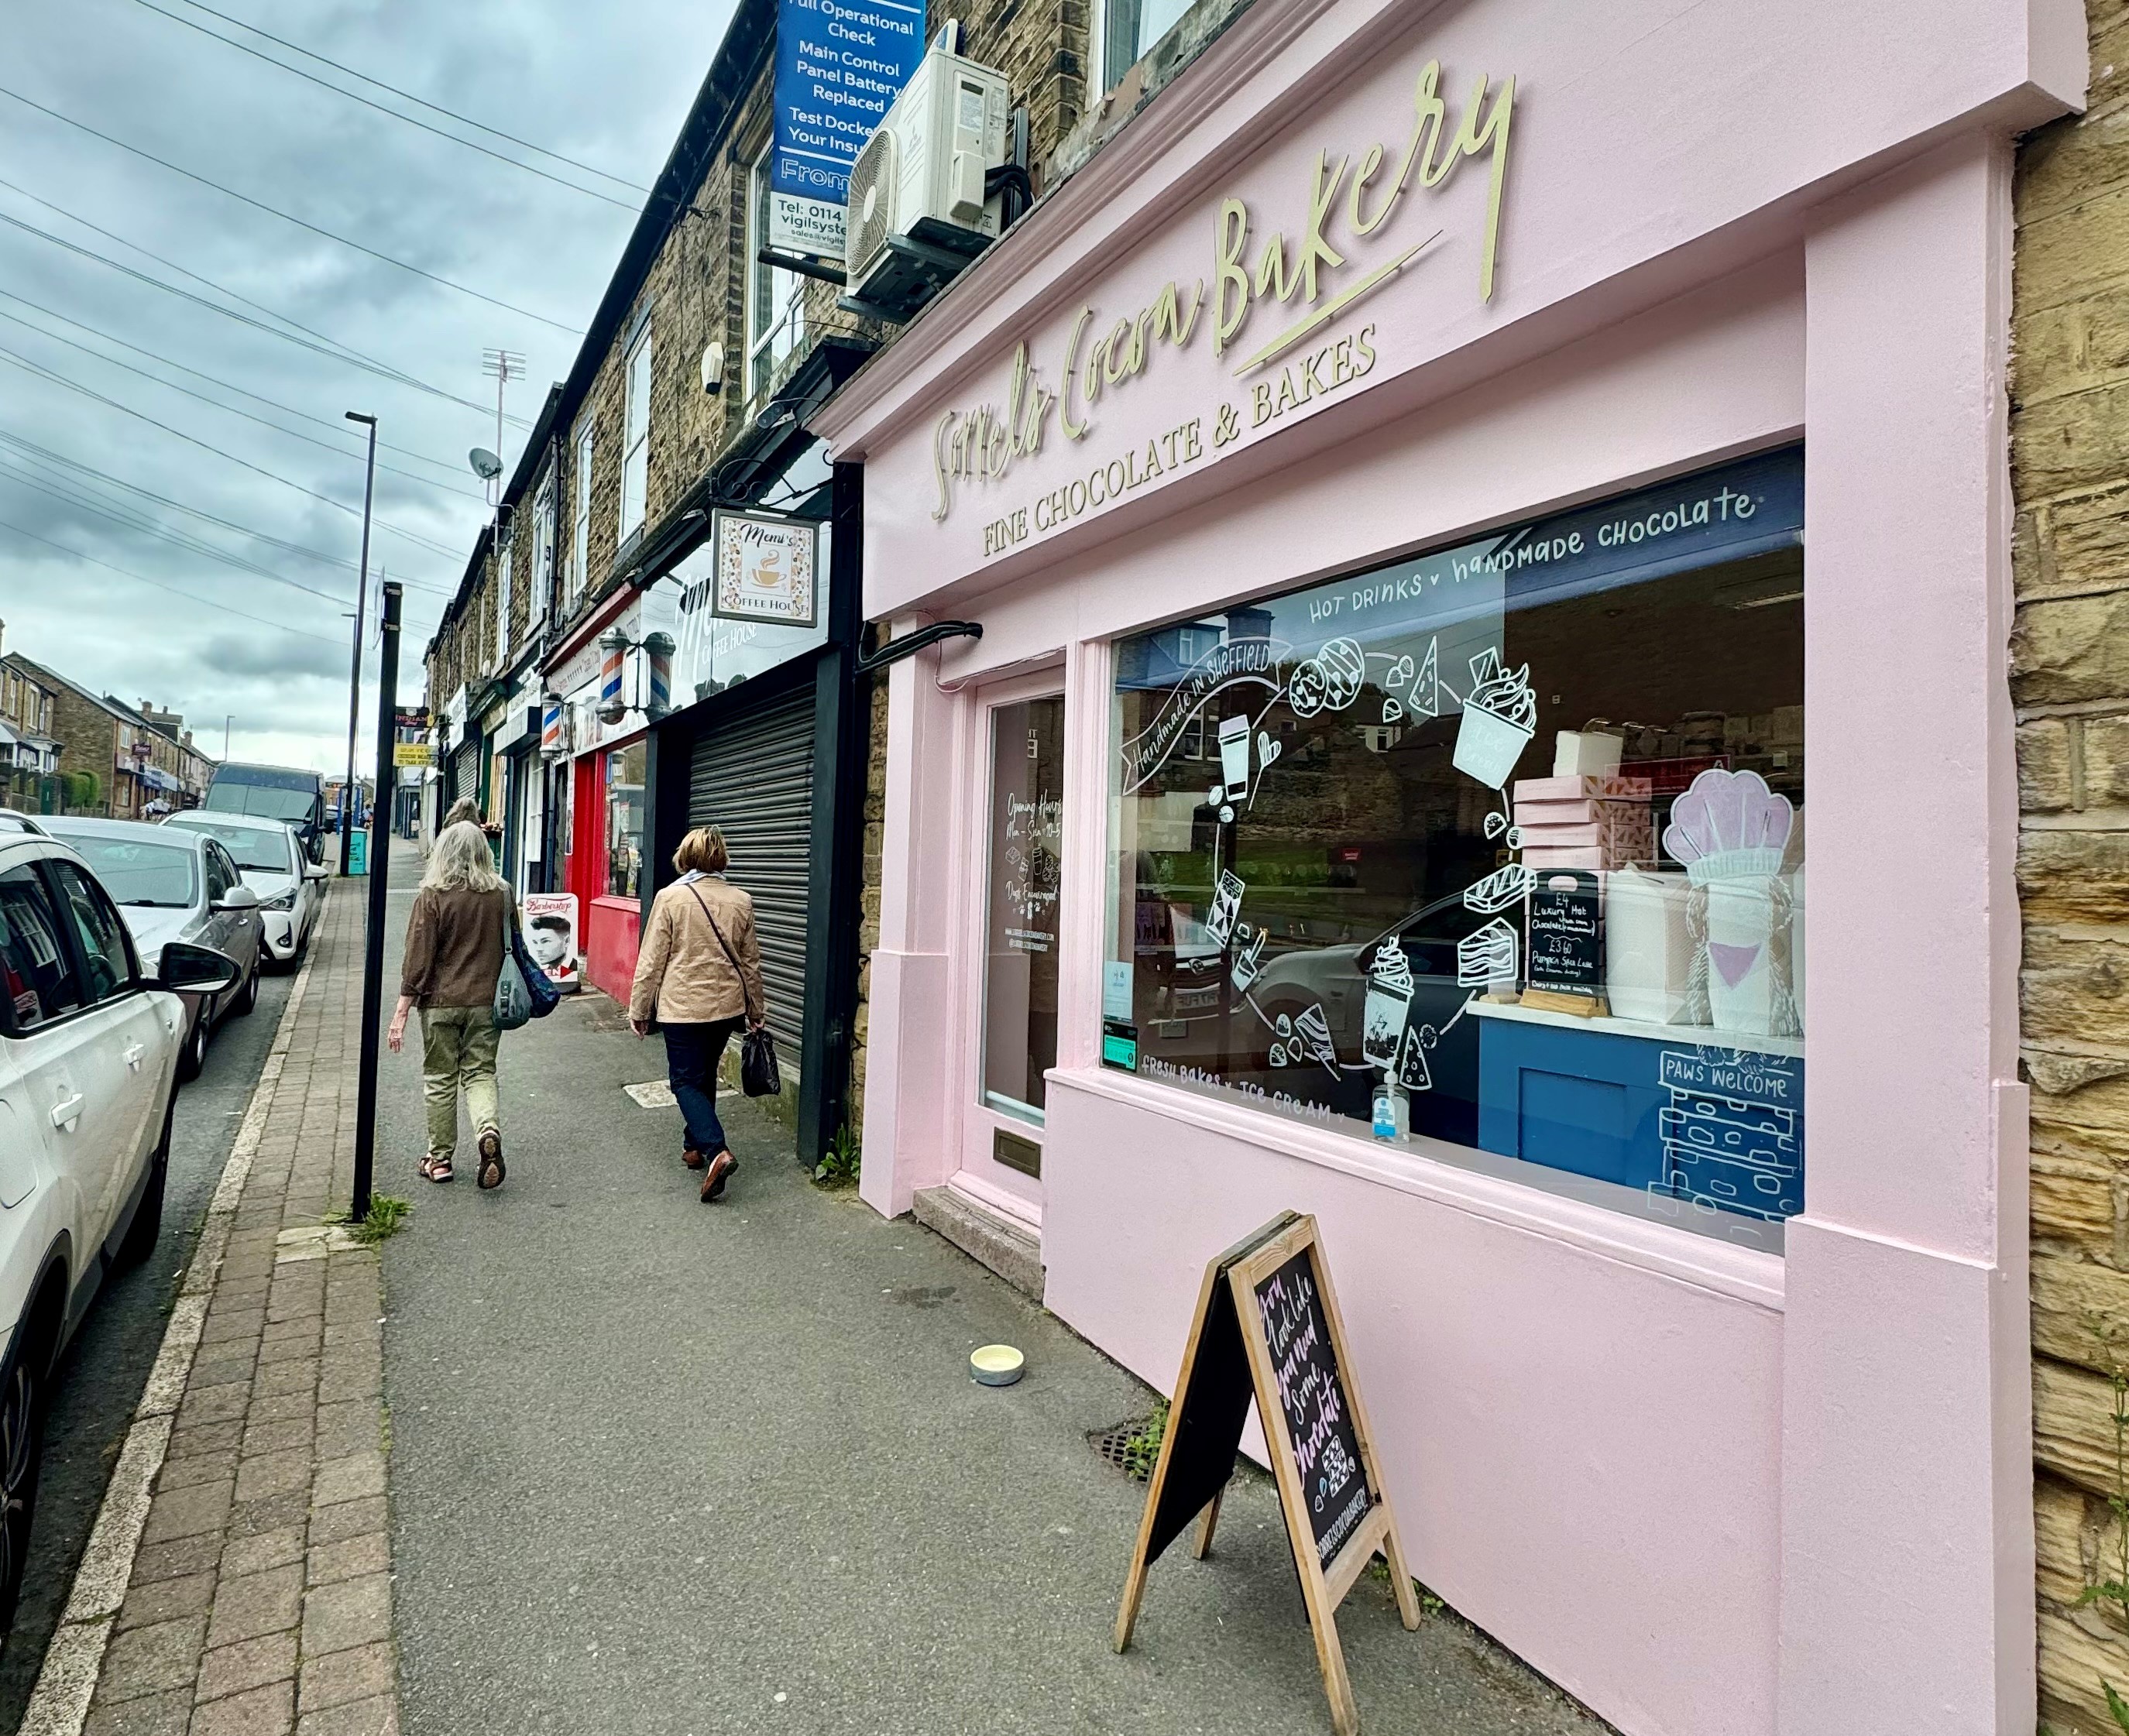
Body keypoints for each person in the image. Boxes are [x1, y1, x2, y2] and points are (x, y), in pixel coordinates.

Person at [629, 825, 766, 1203]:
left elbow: (652, 960)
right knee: (703, 1074)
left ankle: (716, 1149)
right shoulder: (740, 900)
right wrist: (756, 1009)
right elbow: (751, 964)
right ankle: (694, 1147)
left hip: (683, 1007)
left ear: (685, 858)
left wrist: (639, 1008)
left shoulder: (670, 898)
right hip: (726, 1007)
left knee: (685, 1082)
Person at [387, 819, 513, 1188]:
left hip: (440, 1002)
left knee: (440, 1078)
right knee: (480, 1072)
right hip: (487, 1001)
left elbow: (418, 958)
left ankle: (440, 1160)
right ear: (483, 853)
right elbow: (513, 943)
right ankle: (487, 1130)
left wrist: (401, 1011)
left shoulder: (433, 896)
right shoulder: (502, 894)